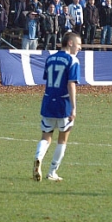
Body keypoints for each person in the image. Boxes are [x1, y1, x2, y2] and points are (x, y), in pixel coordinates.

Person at [33, 31, 82, 182]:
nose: (80, 48)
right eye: (79, 44)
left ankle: (38, 157)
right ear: (70, 43)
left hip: (48, 100)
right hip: (63, 103)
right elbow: (71, 84)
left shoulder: (50, 58)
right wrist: (74, 107)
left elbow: (48, 80)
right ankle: (52, 172)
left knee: (46, 135)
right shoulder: (72, 60)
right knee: (63, 138)